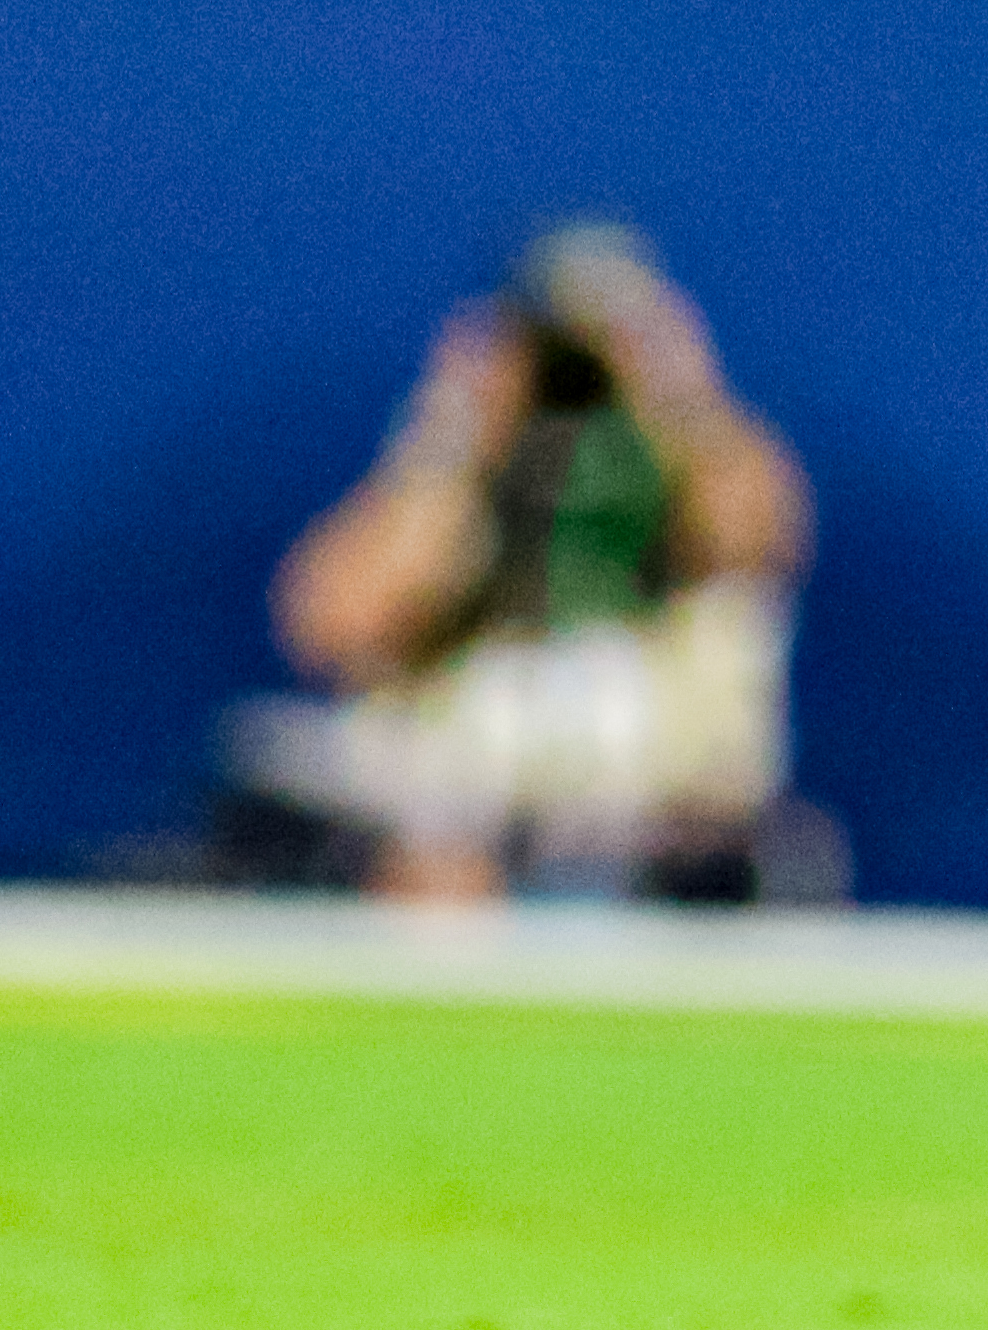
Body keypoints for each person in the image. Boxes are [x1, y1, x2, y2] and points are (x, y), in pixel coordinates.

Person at [251, 226, 815, 905]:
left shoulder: (685, 453)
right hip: (474, 804)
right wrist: (455, 432)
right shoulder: (469, 462)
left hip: (658, 797)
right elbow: (332, 622)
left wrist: (676, 393)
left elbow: (754, 543)